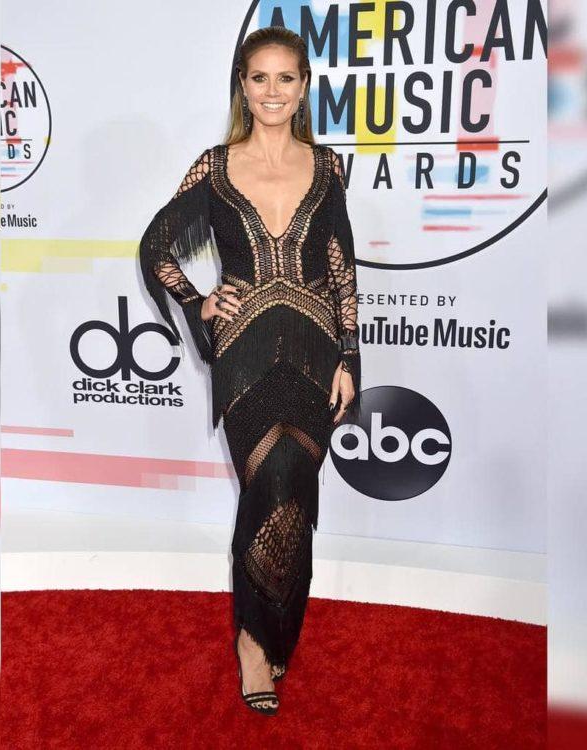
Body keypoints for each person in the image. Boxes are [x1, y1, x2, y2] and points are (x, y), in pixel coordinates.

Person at [138, 26, 361, 716]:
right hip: (244, 354)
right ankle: (253, 642)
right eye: (259, 77)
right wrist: (196, 301)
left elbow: (342, 266)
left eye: (285, 78)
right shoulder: (214, 166)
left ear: (304, 87)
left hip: (316, 352)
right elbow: (155, 247)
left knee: (294, 493)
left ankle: (275, 625)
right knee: (269, 485)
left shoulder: (328, 166)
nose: (272, 91)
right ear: (242, 84)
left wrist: (351, 356)